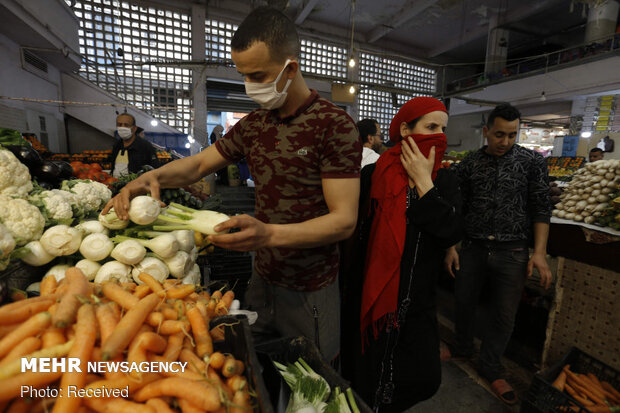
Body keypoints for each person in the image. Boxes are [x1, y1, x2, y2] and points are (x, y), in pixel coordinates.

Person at [104, 6, 361, 363]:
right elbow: (198, 164)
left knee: (313, 375)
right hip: (262, 274)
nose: (250, 85)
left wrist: (268, 234)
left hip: (310, 286)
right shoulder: (254, 125)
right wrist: (150, 178)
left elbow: (344, 219)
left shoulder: (334, 126)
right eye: (244, 75)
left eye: (258, 75)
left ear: (291, 69)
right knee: (256, 366)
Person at [343, 97, 462, 412]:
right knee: (366, 371)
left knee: (424, 377)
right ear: (405, 130)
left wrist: (424, 182)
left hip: (416, 297)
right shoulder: (374, 174)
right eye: (430, 126)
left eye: (443, 128)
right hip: (371, 290)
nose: (439, 135)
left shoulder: (444, 179)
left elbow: (450, 230)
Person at [444, 103, 552, 405]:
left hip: (513, 250)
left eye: (512, 135)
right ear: (486, 131)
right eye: (499, 134)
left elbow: (541, 208)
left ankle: (491, 366)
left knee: (504, 314)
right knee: (464, 301)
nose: (505, 141)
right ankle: (462, 346)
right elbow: (456, 208)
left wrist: (539, 252)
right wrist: (450, 246)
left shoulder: (531, 163)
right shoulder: (468, 164)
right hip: (474, 247)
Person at [110, 113, 159, 178]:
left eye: (126, 125)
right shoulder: (117, 145)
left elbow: (155, 169)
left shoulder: (145, 146)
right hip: (115, 183)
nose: (122, 127)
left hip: (137, 185)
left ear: (134, 128)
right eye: (119, 124)